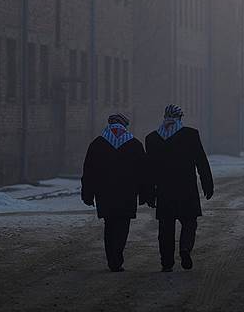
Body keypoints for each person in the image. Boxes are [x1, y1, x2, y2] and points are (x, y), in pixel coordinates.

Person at [145, 104, 214, 272]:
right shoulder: (190, 135)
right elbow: (201, 161)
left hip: (164, 191)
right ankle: (185, 248)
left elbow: (149, 169)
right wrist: (207, 184)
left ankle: (167, 262)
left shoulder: (152, 139)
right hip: (186, 189)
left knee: (166, 228)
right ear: (180, 117)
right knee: (189, 222)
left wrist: (149, 192)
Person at [81, 113, 148, 272]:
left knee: (109, 225)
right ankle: (117, 257)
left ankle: (112, 258)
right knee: (123, 226)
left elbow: (89, 171)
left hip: (105, 194)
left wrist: (88, 194)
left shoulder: (97, 144)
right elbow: (144, 172)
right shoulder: (134, 144)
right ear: (124, 126)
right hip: (127, 193)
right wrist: (145, 193)